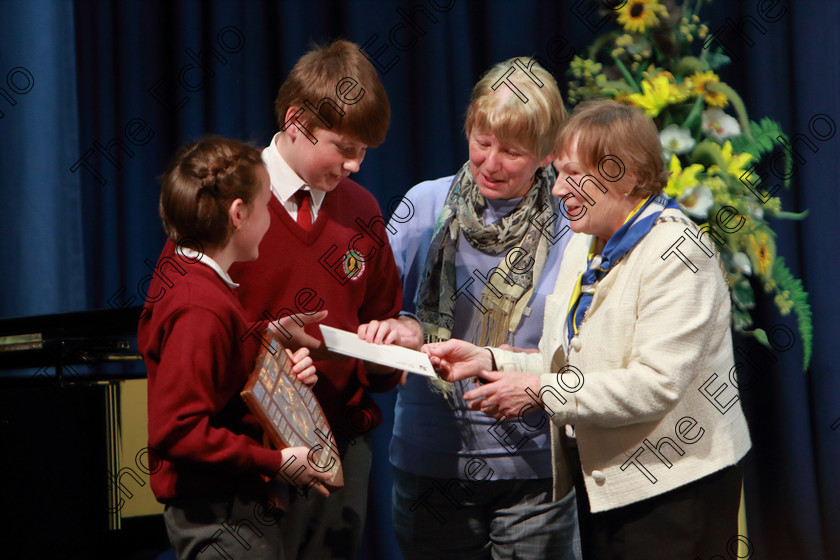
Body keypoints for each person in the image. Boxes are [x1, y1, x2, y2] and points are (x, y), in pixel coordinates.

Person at [424, 100, 752, 560]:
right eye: (558, 172)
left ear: (629, 175)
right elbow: (577, 360)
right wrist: (493, 360)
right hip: (605, 486)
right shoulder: (585, 241)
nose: (558, 189)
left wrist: (540, 392)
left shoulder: (679, 253)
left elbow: (653, 385)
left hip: (675, 490)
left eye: (574, 175)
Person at [358, 58, 580, 560]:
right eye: (482, 142)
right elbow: (384, 309)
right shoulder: (424, 204)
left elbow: (587, 344)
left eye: (512, 151)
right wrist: (401, 330)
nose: (490, 162)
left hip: (535, 471)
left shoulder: (574, 224)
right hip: (432, 461)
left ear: (547, 155)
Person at [225, 39, 407, 560]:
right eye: (342, 147)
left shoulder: (363, 209)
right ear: (296, 120)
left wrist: (392, 341)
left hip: (340, 452)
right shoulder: (227, 197)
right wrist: (270, 358)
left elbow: (383, 316)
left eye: (364, 152)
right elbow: (183, 324)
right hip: (249, 454)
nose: (354, 165)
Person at [139, 136, 332, 560]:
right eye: (266, 207)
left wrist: (267, 337)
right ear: (238, 214)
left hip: (228, 509)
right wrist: (276, 461)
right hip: (219, 517)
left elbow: (215, 362)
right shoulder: (198, 303)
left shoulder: (192, 280)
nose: (270, 219)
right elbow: (179, 431)